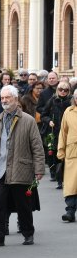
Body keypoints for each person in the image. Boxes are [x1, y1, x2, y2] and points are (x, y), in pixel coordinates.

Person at [0, 85, 45, 247]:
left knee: (23, 205)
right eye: (2, 98)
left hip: (21, 169)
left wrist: (39, 169)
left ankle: (28, 233)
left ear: (15, 99)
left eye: (7, 98)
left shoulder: (28, 121)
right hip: (0, 171)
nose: (4, 100)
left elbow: (37, 147)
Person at [41, 81, 72, 188]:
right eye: (60, 89)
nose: (63, 92)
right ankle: (57, 177)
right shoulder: (52, 100)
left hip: (68, 133)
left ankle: (63, 179)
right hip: (53, 133)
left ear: (69, 91)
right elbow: (43, 114)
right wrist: (49, 120)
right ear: (57, 90)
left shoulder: (72, 101)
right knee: (55, 155)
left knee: (65, 156)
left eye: (65, 90)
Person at [57, 89, 77, 222]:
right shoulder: (68, 112)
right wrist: (61, 149)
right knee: (71, 183)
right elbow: (63, 132)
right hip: (72, 152)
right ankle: (70, 211)